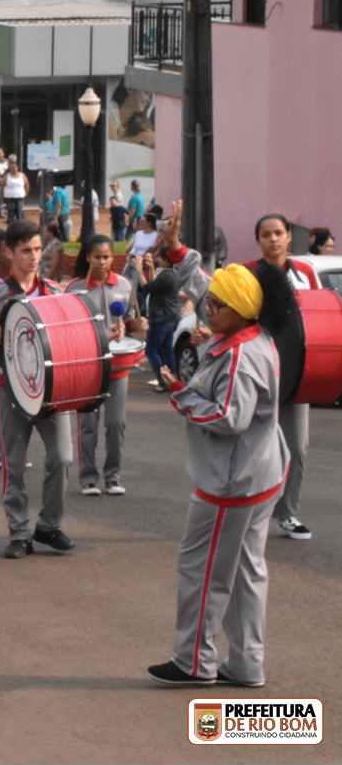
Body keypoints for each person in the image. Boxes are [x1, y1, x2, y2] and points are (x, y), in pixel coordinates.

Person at [147, 263, 294, 687]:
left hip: (233, 482)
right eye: (208, 302)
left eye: (217, 305)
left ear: (243, 309)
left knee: (203, 570)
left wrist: (183, 399)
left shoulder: (240, 354)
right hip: (259, 474)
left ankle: (193, 661)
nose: (208, 310)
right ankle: (247, 664)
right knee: (246, 572)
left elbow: (229, 417)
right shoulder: (249, 336)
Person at [0, 220, 76, 559]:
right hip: (10, 390)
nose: (33, 257)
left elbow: (70, 339)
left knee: (62, 458)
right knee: (13, 465)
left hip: (51, 391)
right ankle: (19, 532)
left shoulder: (55, 294)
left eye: (37, 249)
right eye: (26, 251)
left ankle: (49, 525)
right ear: (8, 253)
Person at [243, 214, 320, 542]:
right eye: (266, 234)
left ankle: (287, 514)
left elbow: (319, 317)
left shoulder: (305, 273)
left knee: (297, 448)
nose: (273, 239)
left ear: (290, 237)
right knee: (253, 445)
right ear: (258, 240)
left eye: (279, 233)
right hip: (258, 372)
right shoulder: (247, 273)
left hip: (297, 372)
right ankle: (247, 510)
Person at [65, 234, 146, 497]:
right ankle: (88, 478)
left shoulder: (124, 284)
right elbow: (68, 330)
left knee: (116, 423)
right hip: (88, 366)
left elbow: (131, 319)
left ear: (113, 257)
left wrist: (137, 326)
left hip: (117, 365)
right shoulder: (75, 289)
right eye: (97, 257)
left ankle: (113, 477)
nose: (102, 262)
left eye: (107, 257)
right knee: (88, 423)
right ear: (87, 257)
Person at [135, 250, 181, 392]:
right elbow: (155, 284)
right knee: (167, 349)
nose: (158, 260)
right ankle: (170, 380)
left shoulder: (167, 276)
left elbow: (147, 287)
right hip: (170, 317)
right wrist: (150, 268)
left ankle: (162, 382)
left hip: (162, 318)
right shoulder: (171, 275)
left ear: (167, 260)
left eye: (160, 258)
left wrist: (138, 269)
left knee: (151, 350)